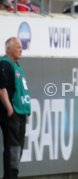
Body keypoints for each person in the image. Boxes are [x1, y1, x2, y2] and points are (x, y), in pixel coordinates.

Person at [0, 37, 31, 179]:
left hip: (21, 113)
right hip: (13, 114)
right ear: (9, 49)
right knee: (12, 148)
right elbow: (2, 88)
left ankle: (13, 175)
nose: (21, 49)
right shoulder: (5, 64)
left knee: (18, 148)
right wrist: (9, 108)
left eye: (21, 47)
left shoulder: (16, 64)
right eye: (17, 47)